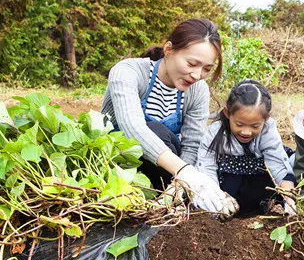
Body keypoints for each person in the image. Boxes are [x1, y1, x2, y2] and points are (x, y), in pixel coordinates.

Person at [101, 18, 238, 218]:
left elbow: (192, 145)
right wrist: (184, 171)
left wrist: (178, 185)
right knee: (157, 132)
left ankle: (171, 199)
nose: (197, 75)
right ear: (168, 49)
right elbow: (133, 129)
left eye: (207, 69)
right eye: (192, 63)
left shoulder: (197, 90)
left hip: (162, 174)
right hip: (115, 164)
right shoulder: (128, 72)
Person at [196, 79, 296, 214]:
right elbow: (206, 168)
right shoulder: (214, 133)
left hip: (260, 178)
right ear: (227, 113)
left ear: (266, 118)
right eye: (239, 124)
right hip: (229, 181)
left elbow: (277, 164)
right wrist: (217, 200)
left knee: (290, 163)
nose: (246, 132)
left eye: (255, 126)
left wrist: (289, 199)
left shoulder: (268, 129)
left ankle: (268, 204)